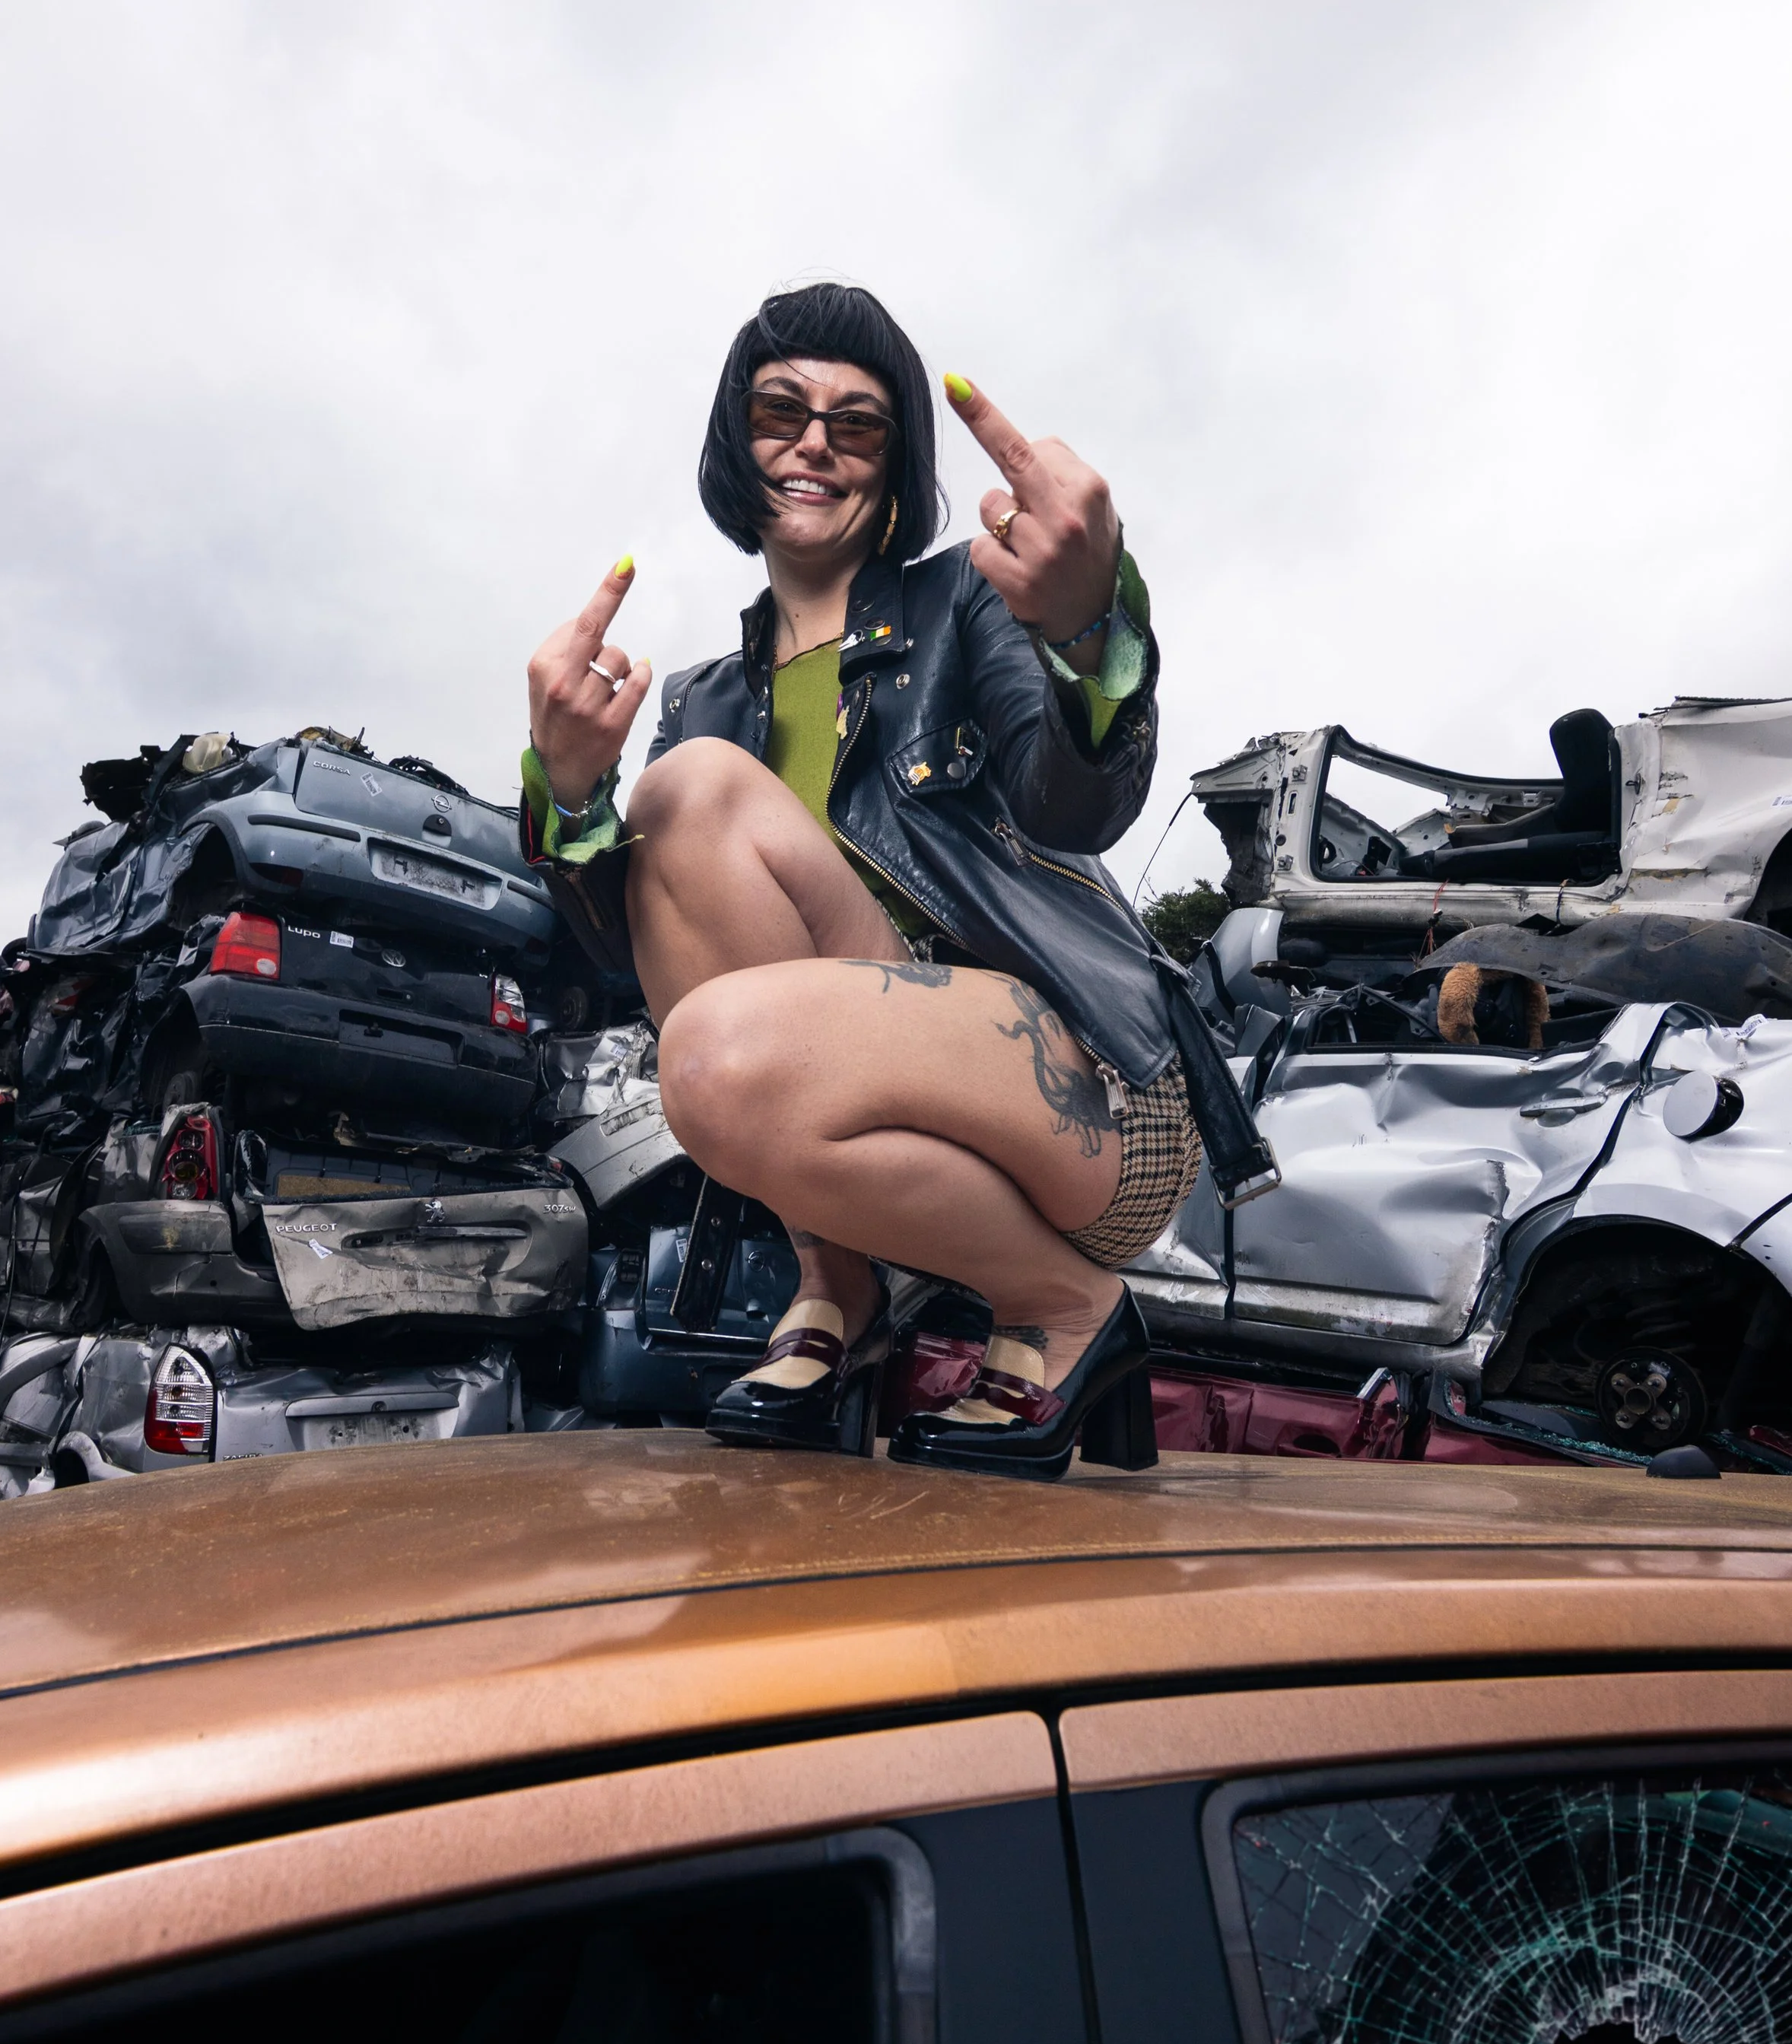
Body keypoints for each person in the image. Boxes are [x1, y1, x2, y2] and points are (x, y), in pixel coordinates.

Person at [521, 283, 1268, 1480]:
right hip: (867, 1091)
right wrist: (567, 796)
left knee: (708, 1038)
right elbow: (639, 958)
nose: (814, 440)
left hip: (1091, 1087)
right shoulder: (704, 700)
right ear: (737, 441)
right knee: (682, 806)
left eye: (856, 423)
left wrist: (1090, 636)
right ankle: (841, 1291)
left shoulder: (965, 597)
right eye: (781, 410)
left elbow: (1074, 803)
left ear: (895, 462)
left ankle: (1068, 1307)